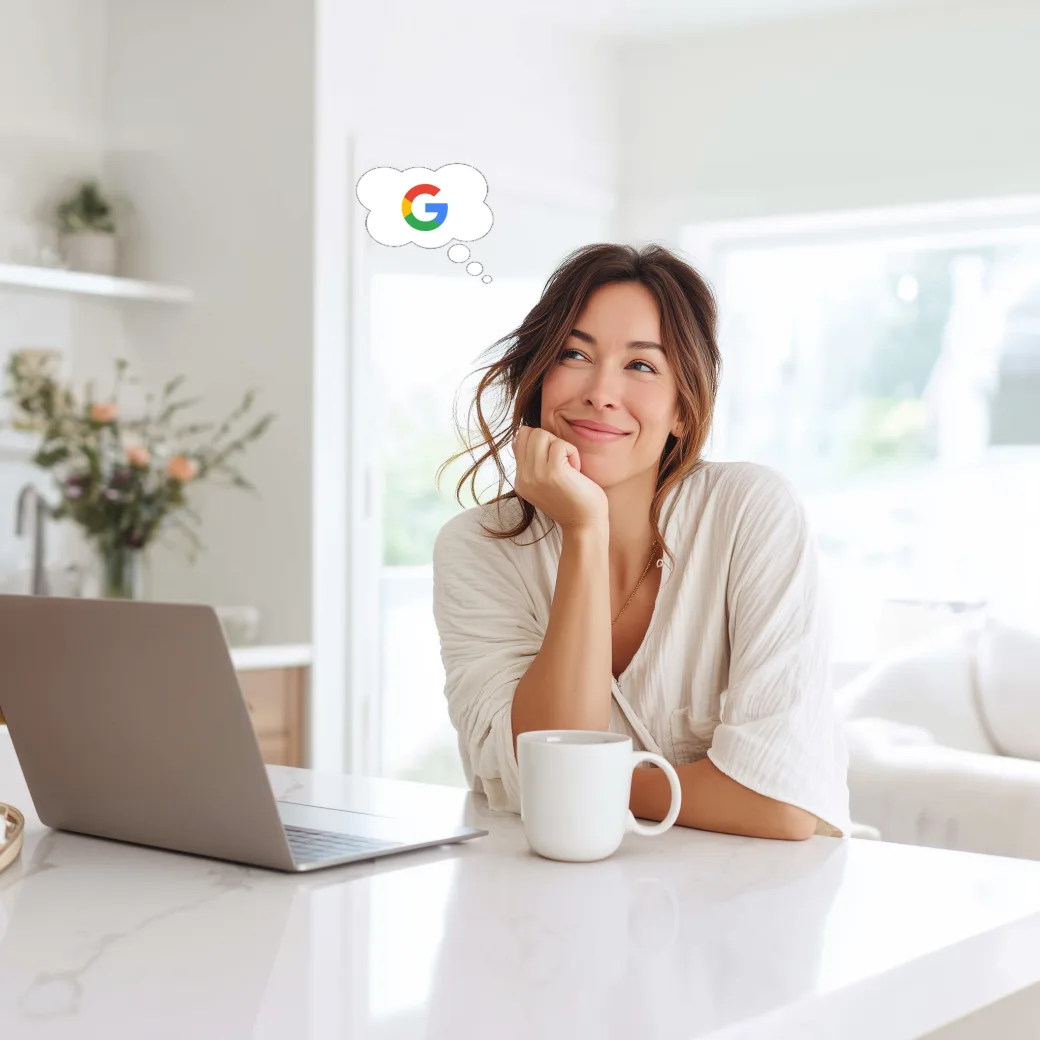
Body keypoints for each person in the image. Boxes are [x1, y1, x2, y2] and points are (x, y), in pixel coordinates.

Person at [431, 243, 850, 841]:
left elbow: (780, 808)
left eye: (641, 366)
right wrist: (583, 532)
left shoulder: (749, 511)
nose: (601, 392)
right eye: (574, 354)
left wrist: (579, 784)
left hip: (759, 903)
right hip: (551, 904)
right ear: (539, 378)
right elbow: (534, 777)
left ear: (684, 409)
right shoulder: (477, 547)